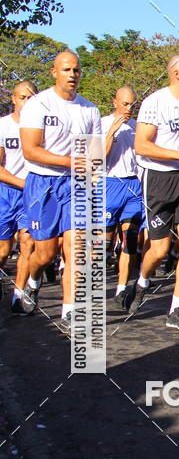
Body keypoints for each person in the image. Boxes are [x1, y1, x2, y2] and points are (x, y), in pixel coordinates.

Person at [127, 55, 179, 330]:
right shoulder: (155, 102)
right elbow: (142, 145)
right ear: (176, 73)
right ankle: (141, 281)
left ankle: (176, 310)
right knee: (161, 248)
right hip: (159, 179)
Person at [20, 51, 102, 333]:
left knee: (76, 247)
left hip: (75, 184)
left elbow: (93, 153)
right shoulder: (38, 104)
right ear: (54, 71)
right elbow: (30, 149)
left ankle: (70, 311)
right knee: (45, 253)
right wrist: (70, 160)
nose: (72, 75)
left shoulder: (89, 110)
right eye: (67, 69)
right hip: (42, 184)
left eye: (77, 70)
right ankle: (33, 280)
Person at [101, 85, 144, 308]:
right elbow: (95, 158)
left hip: (133, 186)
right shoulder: (101, 123)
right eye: (125, 104)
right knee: (103, 244)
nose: (129, 108)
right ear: (114, 102)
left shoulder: (137, 127)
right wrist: (112, 133)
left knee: (131, 240)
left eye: (133, 105)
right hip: (109, 184)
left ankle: (121, 290)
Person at [0, 81, 37, 314]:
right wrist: (23, 183)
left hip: (32, 195)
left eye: (31, 98)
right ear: (14, 99)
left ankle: (19, 295)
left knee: (28, 243)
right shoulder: (3, 126)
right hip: (7, 191)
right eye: (22, 97)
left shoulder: (41, 128)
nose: (26, 102)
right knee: (4, 250)